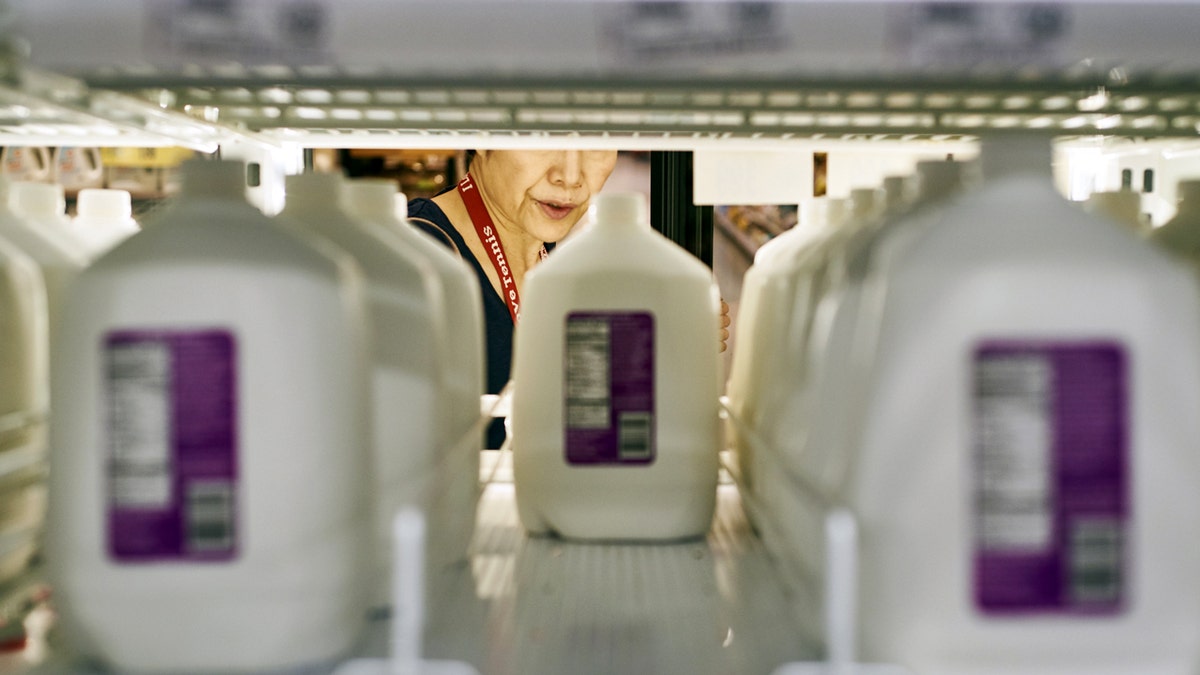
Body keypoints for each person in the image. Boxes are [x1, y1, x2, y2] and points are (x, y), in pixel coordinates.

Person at [408, 149, 729, 448]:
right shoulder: (417, 265)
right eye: (542, 137)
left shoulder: (550, 255)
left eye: (596, 142)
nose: (570, 176)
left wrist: (647, 352)